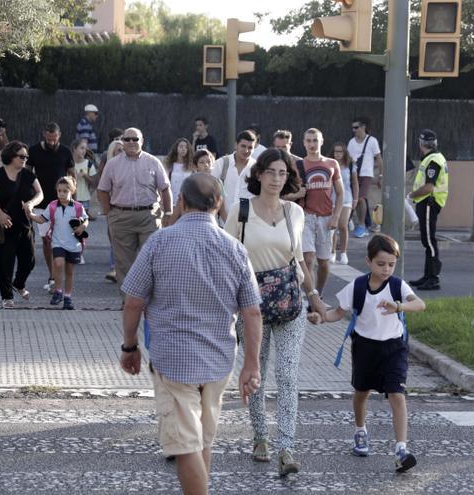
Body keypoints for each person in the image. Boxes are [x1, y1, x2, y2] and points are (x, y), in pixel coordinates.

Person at [119, 173, 264, 495]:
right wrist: (251, 365)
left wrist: (130, 346)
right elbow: (252, 312)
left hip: (173, 361)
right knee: (202, 439)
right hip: (219, 361)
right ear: (220, 204)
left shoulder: (159, 241)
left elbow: (133, 302)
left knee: (184, 444)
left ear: (181, 203)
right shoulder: (235, 249)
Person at [223, 149, 326, 477]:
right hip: (251, 306)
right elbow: (227, 259)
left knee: (288, 374)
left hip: (291, 302)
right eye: (271, 172)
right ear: (259, 174)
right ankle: (260, 437)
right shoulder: (240, 211)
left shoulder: (295, 212)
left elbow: (298, 260)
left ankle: (286, 445)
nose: (276, 179)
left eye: (283, 173)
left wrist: (314, 296)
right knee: (257, 373)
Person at [315, 234, 426, 473]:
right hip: (365, 346)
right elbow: (337, 312)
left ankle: (401, 449)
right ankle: (360, 431)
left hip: (394, 347)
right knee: (361, 392)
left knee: (397, 394)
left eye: (391, 264)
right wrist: (320, 317)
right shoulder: (356, 286)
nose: (386, 269)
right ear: (368, 261)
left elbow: (420, 304)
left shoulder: (397, 286)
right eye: (381, 264)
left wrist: (399, 306)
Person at [97, 128, 172, 292]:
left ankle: (150, 300)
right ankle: (128, 301)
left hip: (149, 217)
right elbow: (102, 190)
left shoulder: (153, 162)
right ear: (122, 141)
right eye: (127, 139)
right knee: (124, 263)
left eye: (135, 139)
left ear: (142, 141)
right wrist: (109, 213)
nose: (131, 142)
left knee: (151, 259)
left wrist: (168, 214)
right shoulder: (113, 164)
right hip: (121, 217)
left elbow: (165, 189)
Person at [0, 141, 44, 308]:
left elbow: (40, 193)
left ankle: (18, 283)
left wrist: (32, 204)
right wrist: (0, 214)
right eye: (21, 156)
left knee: (29, 260)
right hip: (3, 226)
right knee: (4, 264)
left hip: (24, 225)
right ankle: (7, 297)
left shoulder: (28, 175)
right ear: (11, 156)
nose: (25, 159)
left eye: (26, 156)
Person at [27, 122, 75, 293]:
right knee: (47, 242)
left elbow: (72, 175)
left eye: (54, 139)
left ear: (59, 136)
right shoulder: (33, 151)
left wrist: (73, 200)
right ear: (44, 135)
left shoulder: (65, 152)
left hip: (62, 203)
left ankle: (58, 278)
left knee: (59, 241)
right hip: (41, 203)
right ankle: (53, 276)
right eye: (49, 139)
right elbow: (27, 174)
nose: (52, 142)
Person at [27, 176, 88, 310]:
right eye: (59, 191)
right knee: (58, 262)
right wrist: (30, 214)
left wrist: (83, 226)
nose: (61, 194)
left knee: (70, 271)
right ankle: (58, 290)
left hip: (73, 244)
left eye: (65, 191)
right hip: (57, 242)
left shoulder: (78, 207)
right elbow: (42, 219)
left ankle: (67, 296)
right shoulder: (53, 206)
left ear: (72, 191)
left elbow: (85, 219)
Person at [301, 128, 343, 298]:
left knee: (324, 263)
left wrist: (336, 217)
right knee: (308, 259)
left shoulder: (332, 164)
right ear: (304, 143)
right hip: (306, 216)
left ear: (321, 141)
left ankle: (320, 292)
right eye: (309, 141)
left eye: (315, 140)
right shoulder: (299, 164)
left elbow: (340, 193)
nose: (312, 144)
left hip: (326, 217)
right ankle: (311, 296)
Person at [408, 129, 449, 291]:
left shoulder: (433, 161)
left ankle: (433, 278)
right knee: (427, 241)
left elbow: (428, 187)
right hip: (428, 203)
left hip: (428, 203)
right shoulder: (434, 158)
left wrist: (412, 195)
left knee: (429, 241)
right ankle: (427, 276)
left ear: (420, 143)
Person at [170, 150, 227, 224]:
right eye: (201, 162)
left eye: (208, 162)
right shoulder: (189, 183)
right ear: (195, 166)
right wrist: (169, 226)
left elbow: (222, 210)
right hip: (190, 224)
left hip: (210, 224)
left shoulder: (217, 183)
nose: (206, 165)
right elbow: (179, 207)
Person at [348, 117, 383, 238]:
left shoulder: (372, 141)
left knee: (361, 198)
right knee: (355, 199)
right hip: (353, 174)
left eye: (356, 127)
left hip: (366, 174)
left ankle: (362, 225)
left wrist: (381, 176)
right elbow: (348, 159)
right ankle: (360, 224)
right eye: (353, 128)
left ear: (363, 127)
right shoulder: (351, 142)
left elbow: (378, 158)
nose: (354, 130)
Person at [212, 130, 257, 215]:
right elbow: (211, 192)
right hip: (222, 223)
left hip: (248, 223)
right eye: (243, 146)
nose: (246, 150)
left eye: (250, 147)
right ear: (236, 145)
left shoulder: (257, 168)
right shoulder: (221, 163)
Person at [331, 142, 359, 265]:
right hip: (332, 199)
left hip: (347, 198)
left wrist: (355, 199)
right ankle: (332, 252)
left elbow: (355, 183)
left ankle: (343, 253)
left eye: (340, 151)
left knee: (343, 225)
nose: (338, 154)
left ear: (344, 153)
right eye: (336, 151)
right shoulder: (330, 164)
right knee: (333, 227)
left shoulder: (351, 165)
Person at [101, 138, 124, 284]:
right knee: (114, 238)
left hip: (127, 208)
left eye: (123, 150)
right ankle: (115, 268)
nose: (122, 153)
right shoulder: (109, 168)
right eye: (118, 151)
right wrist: (107, 211)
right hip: (113, 209)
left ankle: (118, 269)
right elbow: (102, 190)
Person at [163, 137, 196, 225]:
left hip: (187, 204)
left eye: (186, 147)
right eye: (181, 147)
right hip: (173, 202)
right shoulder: (170, 165)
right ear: (176, 148)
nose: (183, 149)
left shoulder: (191, 166)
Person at [272, 129, 307, 204]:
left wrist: (295, 195)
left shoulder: (300, 163)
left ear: (290, 144)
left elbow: (304, 188)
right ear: (274, 145)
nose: (281, 150)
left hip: (296, 205)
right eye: (278, 147)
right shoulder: (269, 162)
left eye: (284, 147)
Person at [71, 138, 97, 219]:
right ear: (74, 148)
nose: (84, 151)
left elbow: (94, 183)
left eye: (85, 148)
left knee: (82, 220)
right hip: (70, 198)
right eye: (81, 148)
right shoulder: (69, 163)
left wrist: (85, 175)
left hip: (84, 199)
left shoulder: (88, 164)